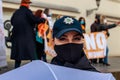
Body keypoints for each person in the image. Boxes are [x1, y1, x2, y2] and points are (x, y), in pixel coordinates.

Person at [10, 0, 45, 68]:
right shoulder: (27, 12)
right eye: (28, 3)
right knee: (32, 54)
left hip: (17, 37)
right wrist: (43, 20)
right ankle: (35, 68)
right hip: (27, 37)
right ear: (26, 4)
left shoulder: (16, 12)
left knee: (18, 56)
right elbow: (35, 19)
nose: (29, 5)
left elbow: (12, 22)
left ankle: (16, 70)